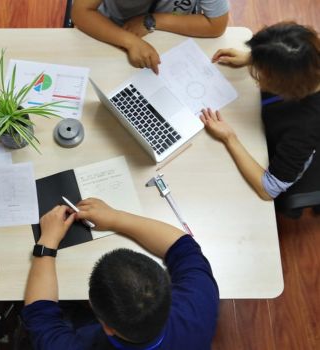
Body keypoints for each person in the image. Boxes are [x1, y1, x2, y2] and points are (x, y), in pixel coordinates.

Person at [22, 198, 219, 350]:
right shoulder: (199, 304)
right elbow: (184, 247)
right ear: (168, 291)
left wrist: (47, 241)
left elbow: (40, 315)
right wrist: (116, 217)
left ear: (106, 326)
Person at [200, 22, 320, 207]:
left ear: (286, 86)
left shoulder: (303, 129)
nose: (258, 81)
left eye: (262, 75)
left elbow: (268, 190)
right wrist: (254, 57)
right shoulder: (311, 58)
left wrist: (230, 138)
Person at [71, 0, 229, 73]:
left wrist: (153, 20)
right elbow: (81, 12)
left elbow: (217, 24)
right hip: (111, 29)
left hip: (173, 32)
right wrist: (130, 41)